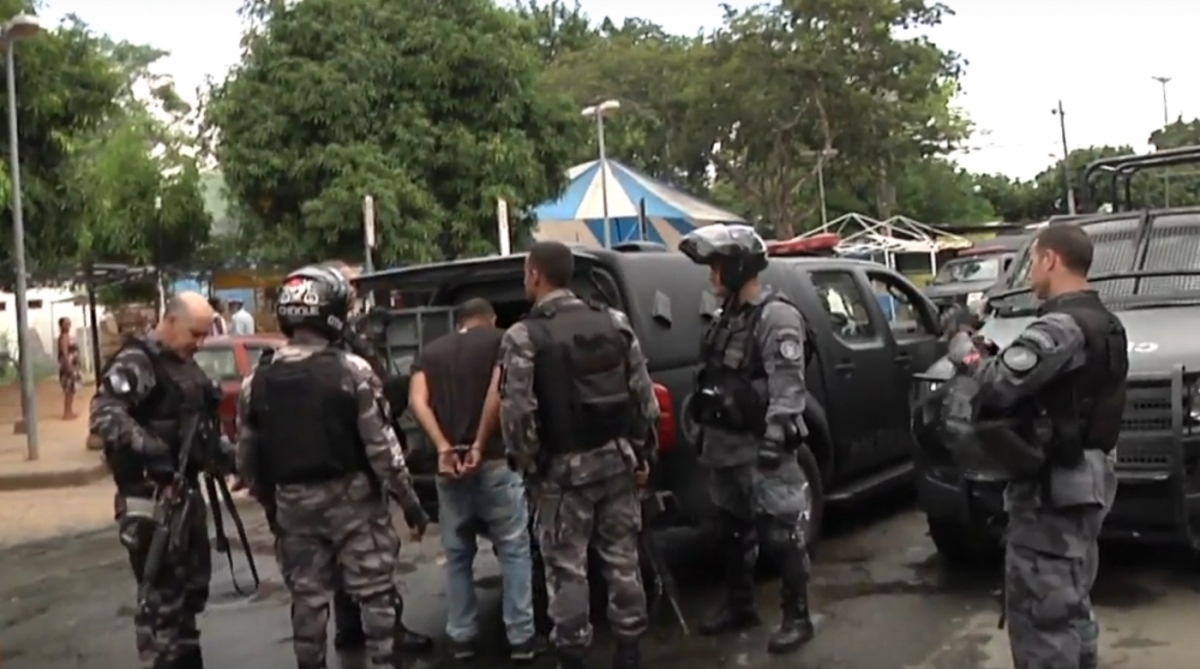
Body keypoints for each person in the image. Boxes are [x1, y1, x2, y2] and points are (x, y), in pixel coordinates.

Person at [946, 224, 1125, 669]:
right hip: (1085, 480)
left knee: (1042, 618)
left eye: (1032, 261)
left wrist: (963, 350)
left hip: (1055, 490)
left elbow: (998, 385)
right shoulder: (1104, 320)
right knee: (1070, 606)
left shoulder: (1063, 325)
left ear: (1050, 259)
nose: (1029, 273)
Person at [236, 265, 430, 669]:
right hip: (355, 504)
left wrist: (273, 507)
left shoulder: (258, 378)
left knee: (307, 599)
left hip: (293, 508)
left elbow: (248, 458)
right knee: (375, 593)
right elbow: (383, 449)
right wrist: (410, 503)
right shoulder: (351, 370)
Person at [499, 241, 658, 669]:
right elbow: (646, 401)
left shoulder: (523, 336)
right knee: (623, 558)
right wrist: (641, 452)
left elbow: (517, 416)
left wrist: (529, 465)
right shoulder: (614, 321)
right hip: (616, 463)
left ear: (535, 275)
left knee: (567, 570)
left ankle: (573, 654)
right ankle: (629, 649)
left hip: (561, 476)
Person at [678, 224, 815, 655]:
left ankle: (798, 617)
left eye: (717, 266)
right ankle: (740, 605)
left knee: (780, 534)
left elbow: (788, 385)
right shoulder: (727, 316)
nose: (711, 275)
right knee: (730, 532)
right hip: (724, 446)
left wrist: (776, 437)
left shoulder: (775, 316)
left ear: (738, 266)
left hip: (760, 448)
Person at [89, 292, 217, 669]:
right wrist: (149, 447)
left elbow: (198, 424)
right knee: (160, 602)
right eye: (195, 333)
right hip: (150, 499)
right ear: (171, 321)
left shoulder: (182, 363)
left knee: (189, 595)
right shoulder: (137, 360)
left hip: (185, 496)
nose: (200, 342)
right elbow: (104, 413)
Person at [409, 297, 542, 662]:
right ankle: (521, 637)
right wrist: (480, 447)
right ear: (492, 318)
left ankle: (462, 637)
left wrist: (442, 446)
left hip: (448, 468)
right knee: (514, 551)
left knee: (457, 555)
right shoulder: (505, 341)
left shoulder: (432, 352)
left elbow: (416, 400)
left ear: (460, 321)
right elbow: (499, 395)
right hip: (496, 463)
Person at [317, 260, 431, 654]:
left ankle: (351, 631)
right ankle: (384, 635)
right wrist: (409, 500)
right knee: (372, 561)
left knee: (340, 561)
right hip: (356, 464)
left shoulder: (338, 335)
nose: (356, 290)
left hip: (335, 465)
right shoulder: (338, 344)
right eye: (350, 284)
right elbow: (373, 392)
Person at [57, 316, 82, 420]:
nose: (68, 325)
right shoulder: (63, 338)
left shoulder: (67, 336)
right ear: (61, 325)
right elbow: (65, 353)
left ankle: (69, 411)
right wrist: (69, 367)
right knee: (68, 390)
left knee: (71, 390)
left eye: (69, 323)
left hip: (71, 365)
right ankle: (67, 413)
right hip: (68, 366)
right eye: (66, 324)